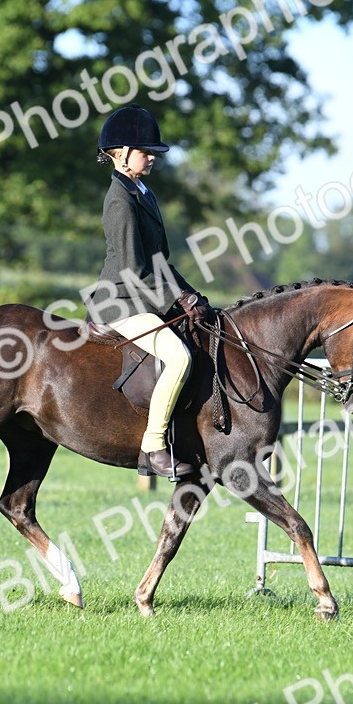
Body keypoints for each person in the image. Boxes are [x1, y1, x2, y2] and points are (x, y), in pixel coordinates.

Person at [87, 103, 213, 481]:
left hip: (142, 294)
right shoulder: (119, 200)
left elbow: (159, 261)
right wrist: (176, 300)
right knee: (177, 358)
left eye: (155, 152)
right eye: (147, 152)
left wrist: (191, 296)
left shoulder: (144, 192)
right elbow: (133, 268)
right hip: (121, 302)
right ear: (122, 153)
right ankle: (154, 445)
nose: (153, 157)